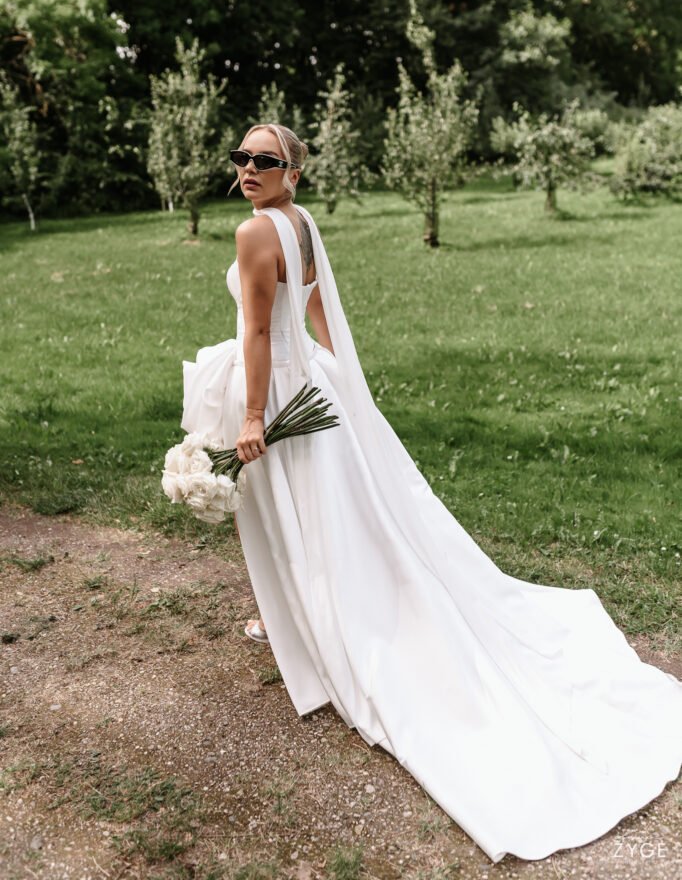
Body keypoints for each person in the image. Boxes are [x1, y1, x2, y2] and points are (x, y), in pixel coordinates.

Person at [180, 122, 682, 865]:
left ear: (293, 172)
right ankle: (298, 615)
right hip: (313, 383)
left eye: (265, 160)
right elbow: (315, 309)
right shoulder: (301, 221)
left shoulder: (256, 231)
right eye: (242, 158)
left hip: (282, 388)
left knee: (307, 513)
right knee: (333, 514)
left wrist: (254, 417)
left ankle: (323, 624)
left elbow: (259, 331)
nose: (249, 168)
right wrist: (339, 377)